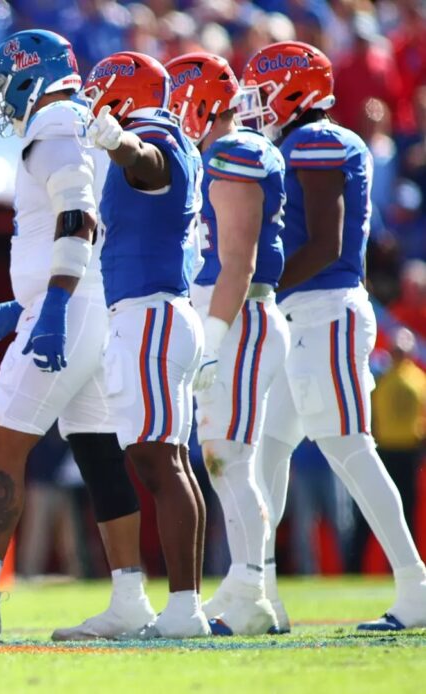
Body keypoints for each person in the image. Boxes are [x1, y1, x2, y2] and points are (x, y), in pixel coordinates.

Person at [0, 31, 153, 643]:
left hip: (70, 303)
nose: (1, 102)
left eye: (3, 87)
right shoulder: (65, 123)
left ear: (28, 76)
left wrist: (54, 304)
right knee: (95, 452)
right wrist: (23, 305)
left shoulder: (57, 122)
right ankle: (130, 599)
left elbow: (78, 215)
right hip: (72, 301)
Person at [241, 40, 426, 632]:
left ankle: (417, 586)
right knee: (266, 452)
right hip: (302, 316)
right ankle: (260, 597)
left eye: (265, 91)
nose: (257, 104)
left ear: (295, 89)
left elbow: (323, 245)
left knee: (349, 449)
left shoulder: (318, 141)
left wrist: (253, 286)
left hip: (324, 311)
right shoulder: (298, 142)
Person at [165, 52, 289, 636]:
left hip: (238, 316)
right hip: (231, 315)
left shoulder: (234, 153)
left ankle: (249, 591)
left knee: (226, 459)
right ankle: (253, 588)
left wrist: (212, 339)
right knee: (231, 461)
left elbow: (236, 262)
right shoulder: (214, 155)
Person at [85, 51, 207, 638]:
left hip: (152, 313)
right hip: (151, 311)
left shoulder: (151, 132)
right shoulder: (162, 132)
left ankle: (185, 607)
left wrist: (119, 143)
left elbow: (149, 165)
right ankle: (183, 605)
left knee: (160, 460)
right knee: (163, 459)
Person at [368, 328, 426, 548]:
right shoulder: (382, 378)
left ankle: (404, 557)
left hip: (407, 452)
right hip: (386, 450)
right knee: (379, 507)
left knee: (406, 508)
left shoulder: (417, 380)